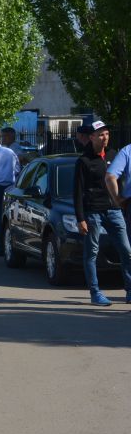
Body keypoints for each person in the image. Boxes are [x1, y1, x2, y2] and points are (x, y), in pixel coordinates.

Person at [74, 121, 131, 305]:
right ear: (91, 137)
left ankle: (130, 290)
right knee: (91, 253)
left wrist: (121, 201)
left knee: (126, 251)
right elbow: (77, 192)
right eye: (100, 134)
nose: (104, 138)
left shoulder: (115, 155)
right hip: (93, 212)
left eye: (106, 134)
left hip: (115, 211)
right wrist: (80, 218)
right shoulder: (84, 161)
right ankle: (95, 293)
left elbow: (121, 180)